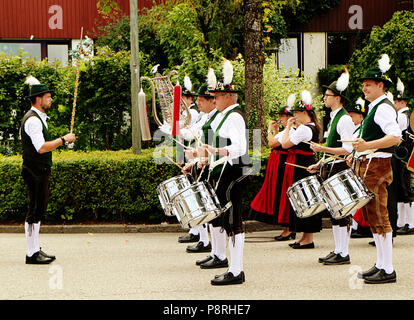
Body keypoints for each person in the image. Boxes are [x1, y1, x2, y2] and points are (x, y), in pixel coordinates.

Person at [347, 55, 401, 284]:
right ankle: (381, 263)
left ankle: (387, 268)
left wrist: (367, 146)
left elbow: (396, 137)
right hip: (370, 165)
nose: (364, 88)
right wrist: (357, 153)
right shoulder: (376, 106)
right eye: (363, 84)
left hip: (377, 167)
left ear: (381, 85)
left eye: (369, 84)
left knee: (380, 217)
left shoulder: (383, 108)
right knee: (373, 217)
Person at [195, 60, 250, 285]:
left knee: (233, 220)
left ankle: (236, 271)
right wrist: (207, 157)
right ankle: (232, 267)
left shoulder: (234, 116)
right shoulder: (224, 116)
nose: (213, 99)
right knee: (225, 220)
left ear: (228, 97)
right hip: (225, 170)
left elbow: (241, 148)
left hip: (234, 172)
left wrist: (216, 150)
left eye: (216, 96)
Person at [21, 78, 76, 264]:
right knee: (34, 210)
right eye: (48, 97)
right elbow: (42, 147)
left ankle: (35, 249)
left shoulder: (38, 118)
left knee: (39, 210)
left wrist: (64, 141)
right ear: (38, 99)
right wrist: (63, 139)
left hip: (39, 169)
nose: (51, 99)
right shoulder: (33, 121)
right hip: (34, 169)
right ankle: (31, 253)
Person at [307, 71, 355, 265]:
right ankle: (337, 249)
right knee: (334, 211)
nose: (324, 98)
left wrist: (321, 148)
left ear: (337, 98)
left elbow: (348, 149)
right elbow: (331, 151)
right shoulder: (333, 117)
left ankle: (343, 252)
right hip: (330, 167)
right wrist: (319, 163)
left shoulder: (344, 119)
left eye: (327, 95)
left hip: (339, 168)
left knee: (341, 211)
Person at [249, 95, 295, 241]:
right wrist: (275, 132)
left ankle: (289, 229)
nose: (281, 119)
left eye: (284, 116)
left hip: (282, 164)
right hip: (277, 164)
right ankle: (287, 227)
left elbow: (273, 143)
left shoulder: (291, 130)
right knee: (277, 194)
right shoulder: (284, 131)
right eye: (280, 116)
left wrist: (269, 130)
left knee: (282, 195)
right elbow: (277, 141)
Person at [281, 90, 322, 249]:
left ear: (305, 112)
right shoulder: (309, 127)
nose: (295, 115)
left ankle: (308, 238)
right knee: (304, 198)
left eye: (297, 112)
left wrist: (287, 127)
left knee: (305, 198)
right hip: (303, 163)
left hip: (302, 165)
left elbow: (285, 144)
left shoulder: (305, 129)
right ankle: (305, 236)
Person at [347, 98, 372, 239]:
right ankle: (357, 226)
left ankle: (361, 226)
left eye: (353, 115)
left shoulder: (363, 129)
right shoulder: (356, 129)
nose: (350, 118)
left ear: (361, 116)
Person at [393, 78, 414, 235]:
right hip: (405, 154)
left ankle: (410, 223)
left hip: (403, 155)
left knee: (405, 188)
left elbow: (398, 137)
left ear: (400, 102)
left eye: (395, 100)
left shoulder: (401, 116)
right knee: (401, 188)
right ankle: (402, 221)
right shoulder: (406, 114)